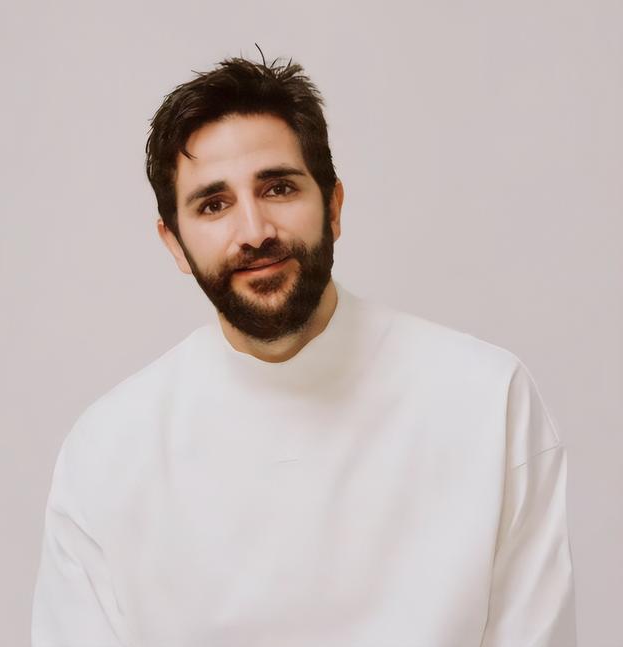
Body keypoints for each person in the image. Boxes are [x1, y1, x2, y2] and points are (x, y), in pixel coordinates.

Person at [31, 52, 577, 647]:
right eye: (213, 204)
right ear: (176, 245)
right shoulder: (106, 451)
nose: (254, 231)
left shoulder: (488, 401)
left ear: (333, 207)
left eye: (279, 188)